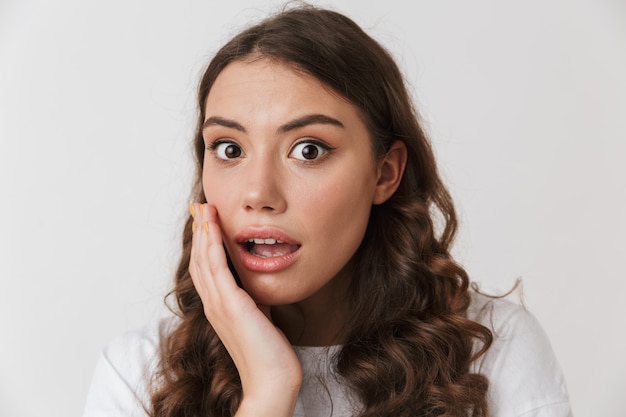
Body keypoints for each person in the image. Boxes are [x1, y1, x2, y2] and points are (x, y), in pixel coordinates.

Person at [82, 4, 572, 417]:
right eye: (229, 149)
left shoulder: (493, 350)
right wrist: (268, 390)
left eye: (309, 150)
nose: (259, 193)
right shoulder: (138, 374)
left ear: (385, 173)